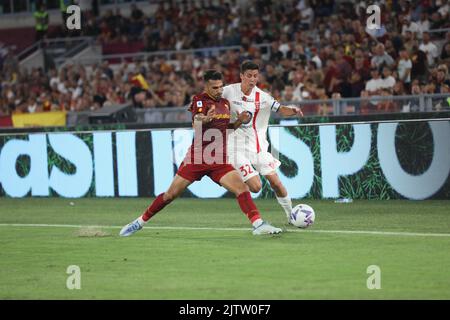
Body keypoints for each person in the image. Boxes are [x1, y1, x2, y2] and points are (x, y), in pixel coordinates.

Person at [119, 70, 283, 237]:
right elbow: (197, 122)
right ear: (206, 86)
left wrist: (239, 120)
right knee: (170, 195)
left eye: (220, 87)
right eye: (214, 88)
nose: (219, 90)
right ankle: (139, 222)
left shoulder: (225, 103)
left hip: (218, 159)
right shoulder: (199, 100)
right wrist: (206, 118)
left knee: (241, 188)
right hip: (198, 158)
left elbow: (227, 129)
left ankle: (258, 224)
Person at [222, 61, 303, 223]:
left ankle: (291, 216)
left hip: (258, 149)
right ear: (241, 76)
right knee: (256, 187)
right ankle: (230, 179)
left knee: (276, 183)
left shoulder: (263, 97)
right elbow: (211, 96)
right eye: (249, 76)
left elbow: (281, 109)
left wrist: (292, 110)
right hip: (236, 149)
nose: (253, 79)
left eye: (255, 76)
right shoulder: (228, 91)